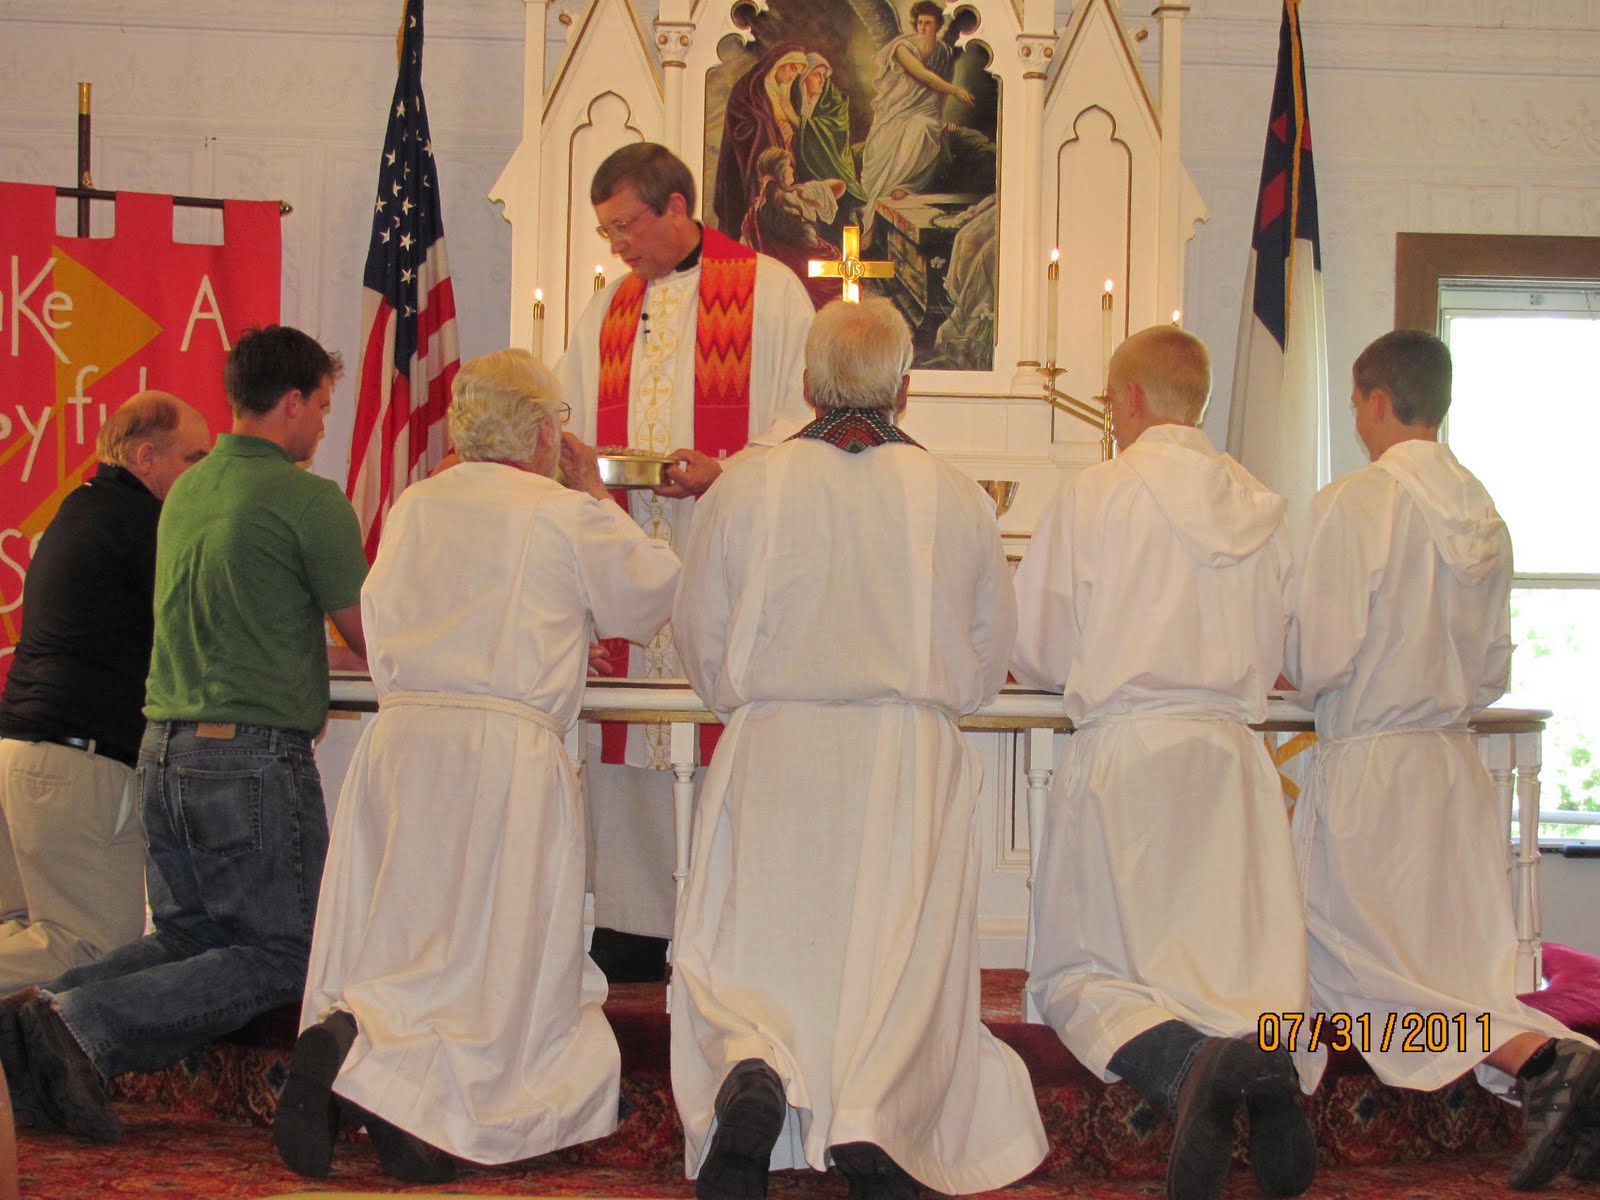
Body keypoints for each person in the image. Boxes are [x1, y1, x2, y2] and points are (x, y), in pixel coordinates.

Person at [671, 298, 1046, 1200]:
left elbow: (700, 631)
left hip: (774, 745)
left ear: (807, 385)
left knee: (753, 944)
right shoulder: (954, 494)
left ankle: (754, 1069)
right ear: (904, 388)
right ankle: (878, 1114)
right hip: (902, 754)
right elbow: (989, 649)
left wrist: (752, 701)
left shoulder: (744, 488)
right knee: (899, 956)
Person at [276, 350, 680, 1183]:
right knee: (493, 955)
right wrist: (594, 493)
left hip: (405, 743)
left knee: (412, 934)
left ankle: (360, 1045)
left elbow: (386, 616)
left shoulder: (417, 505)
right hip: (501, 754)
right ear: (542, 433)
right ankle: (440, 1107)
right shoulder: (559, 512)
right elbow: (651, 593)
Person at [0, 325, 368, 1144]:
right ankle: (77, 1024)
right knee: (285, 951)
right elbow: (372, 633)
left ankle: (34, 1018)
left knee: (190, 935)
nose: (321, 424)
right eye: (322, 405)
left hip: (164, 745)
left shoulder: (187, 492)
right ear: (294, 401)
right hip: (249, 755)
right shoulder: (309, 500)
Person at [1286, 329, 1600, 1191]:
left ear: (1379, 400)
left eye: (1357, 403)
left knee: (1360, 970)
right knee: (1441, 968)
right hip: (1451, 772)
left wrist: (1290, 654)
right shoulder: (1482, 511)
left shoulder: (1358, 502)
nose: (1357, 420)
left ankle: (1540, 1060)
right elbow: (1493, 669)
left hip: (1373, 770)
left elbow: (1319, 658)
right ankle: (1571, 1080)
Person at [1012, 326, 1316, 1200]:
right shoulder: (1261, 505)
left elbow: (1040, 647)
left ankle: (1187, 1067)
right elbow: (1282, 645)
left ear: (1134, 398)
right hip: (1229, 761)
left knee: (1082, 970)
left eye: (1112, 401)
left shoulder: (1096, 494)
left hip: (1130, 758)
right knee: (1239, 967)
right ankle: (1259, 1069)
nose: (1113, 415)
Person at [557, 142, 813, 981]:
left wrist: (724, 473)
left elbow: (799, 423)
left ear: (677, 207)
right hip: (629, 548)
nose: (617, 246)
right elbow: (569, 414)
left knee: (716, 737)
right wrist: (581, 464)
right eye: (605, 231)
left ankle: (723, 927)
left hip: (718, 546)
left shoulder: (768, 292)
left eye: (625, 226)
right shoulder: (607, 309)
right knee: (629, 741)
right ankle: (633, 925)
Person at [0, 392, 211, 993]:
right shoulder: (140, 524)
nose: (203, 477)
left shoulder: (84, 508)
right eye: (193, 459)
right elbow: (205, 631)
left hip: (23, 755)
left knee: (21, 931)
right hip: (76, 764)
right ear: (147, 457)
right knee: (90, 946)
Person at [857, 1, 974, 240]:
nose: (922, 27)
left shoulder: (943, 52)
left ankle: (903, 186)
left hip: (923, 113)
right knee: (915, 128)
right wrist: (955, 90)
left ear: (937, 26)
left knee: (924, 127)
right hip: (896, 113)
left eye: (927, 23)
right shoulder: (902, 47)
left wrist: (942, 117)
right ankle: (874, 211)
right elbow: (924, 76)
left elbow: (936, 95)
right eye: (919, 22)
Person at [713, 44, 810, 239]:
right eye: (792, 68)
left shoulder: (782, 93)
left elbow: (786, 136)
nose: (793, 76)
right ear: (779, 63)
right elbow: (740, 128)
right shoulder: (749, 89)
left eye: (797, 73)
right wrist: (771, 127)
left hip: (775, 166)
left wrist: (788, 137)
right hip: (750, 166)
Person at [740, 147, 844, 309]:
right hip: (810, 276)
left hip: (778, 283)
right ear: (781, 170)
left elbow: (744, 250)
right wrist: (812, 189)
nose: (792, 170)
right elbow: (839, 185)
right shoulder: (800, 196)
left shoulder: (754, 213)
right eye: (789, 166)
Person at [794, 54, 863, 223]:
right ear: (804, 77)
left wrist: (798, 121)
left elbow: (833, 131)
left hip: (835, 167)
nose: (822, 80)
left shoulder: (833, 101)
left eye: (823, 76)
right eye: (816, 75)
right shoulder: (795, 99)